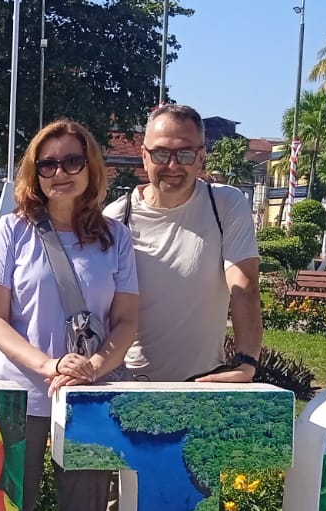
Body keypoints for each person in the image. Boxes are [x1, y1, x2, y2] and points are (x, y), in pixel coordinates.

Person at [0, 119, 138, 511]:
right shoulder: (13, 230)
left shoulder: (115, 238)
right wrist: (51, 366)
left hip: (87, 400)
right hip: (17, 397)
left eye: (72, 161)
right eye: (47, 164)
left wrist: (93, 367)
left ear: (91, 168)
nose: (60, 173)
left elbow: (126, 321)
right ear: (34, 171)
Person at [101, 104, 262, 384]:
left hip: (203, 385)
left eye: (185, 154)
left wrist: (246, 362)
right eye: (161, 153)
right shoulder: (117, 218)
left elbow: (244, 285)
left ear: (201, 156)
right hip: (128, 384)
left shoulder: (225, 205)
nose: (173, 165)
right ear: (144, 156)